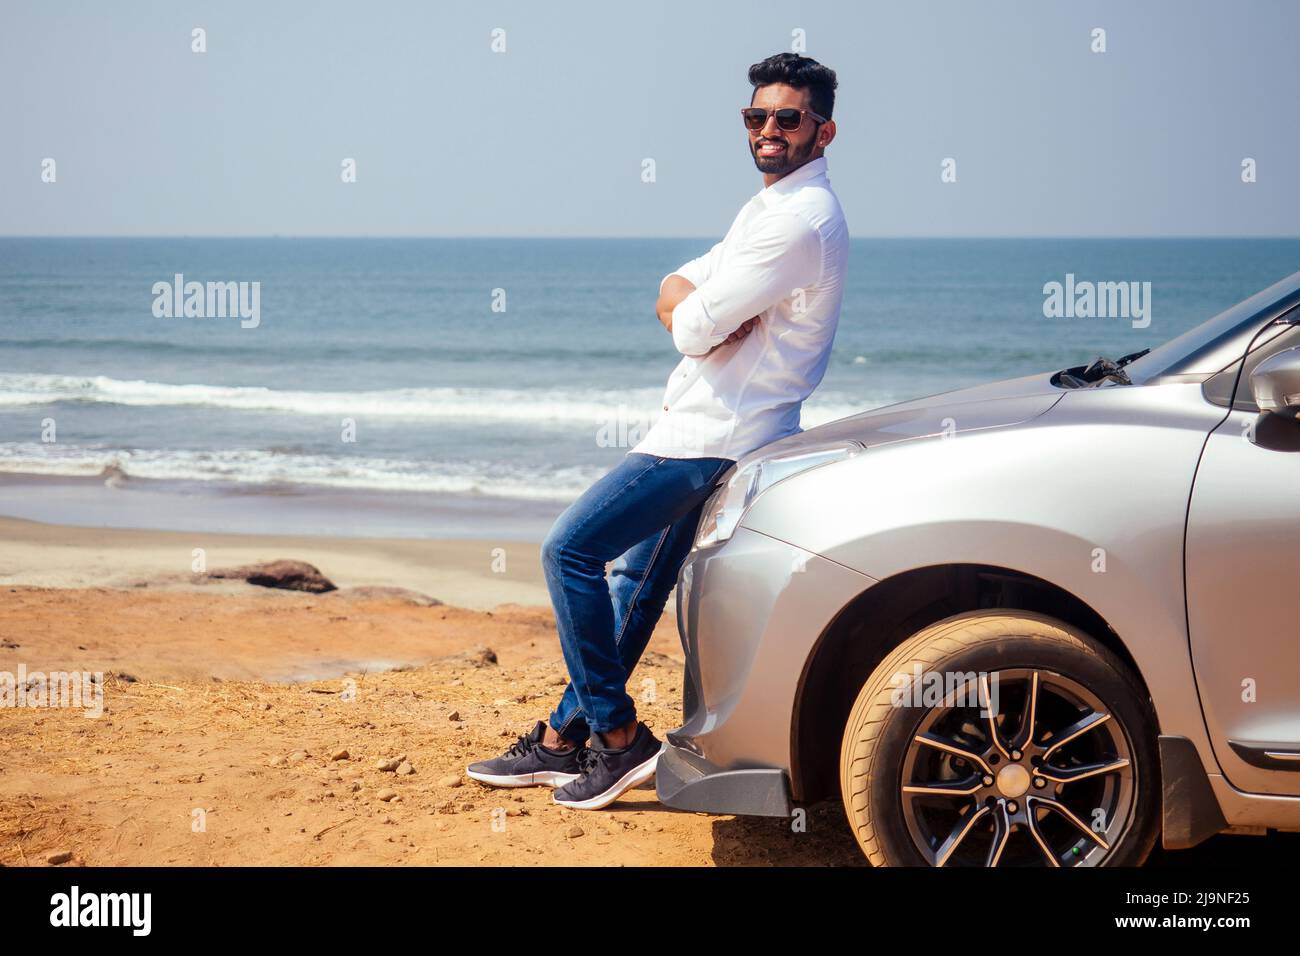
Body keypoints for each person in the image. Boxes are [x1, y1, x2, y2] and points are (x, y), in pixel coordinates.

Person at [467, 52, 850, 811]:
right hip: (704, 427)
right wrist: (692, 306)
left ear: (823, 130)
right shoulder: (767, 209)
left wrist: (695, 313)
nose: (768, 130)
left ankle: (618, 740)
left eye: (787, 118)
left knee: (568, 550)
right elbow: (684, 285)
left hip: (710, 438)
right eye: (756, 116)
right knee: (631, 590)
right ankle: (558, 742)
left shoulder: (801, 223)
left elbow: (691, 328)